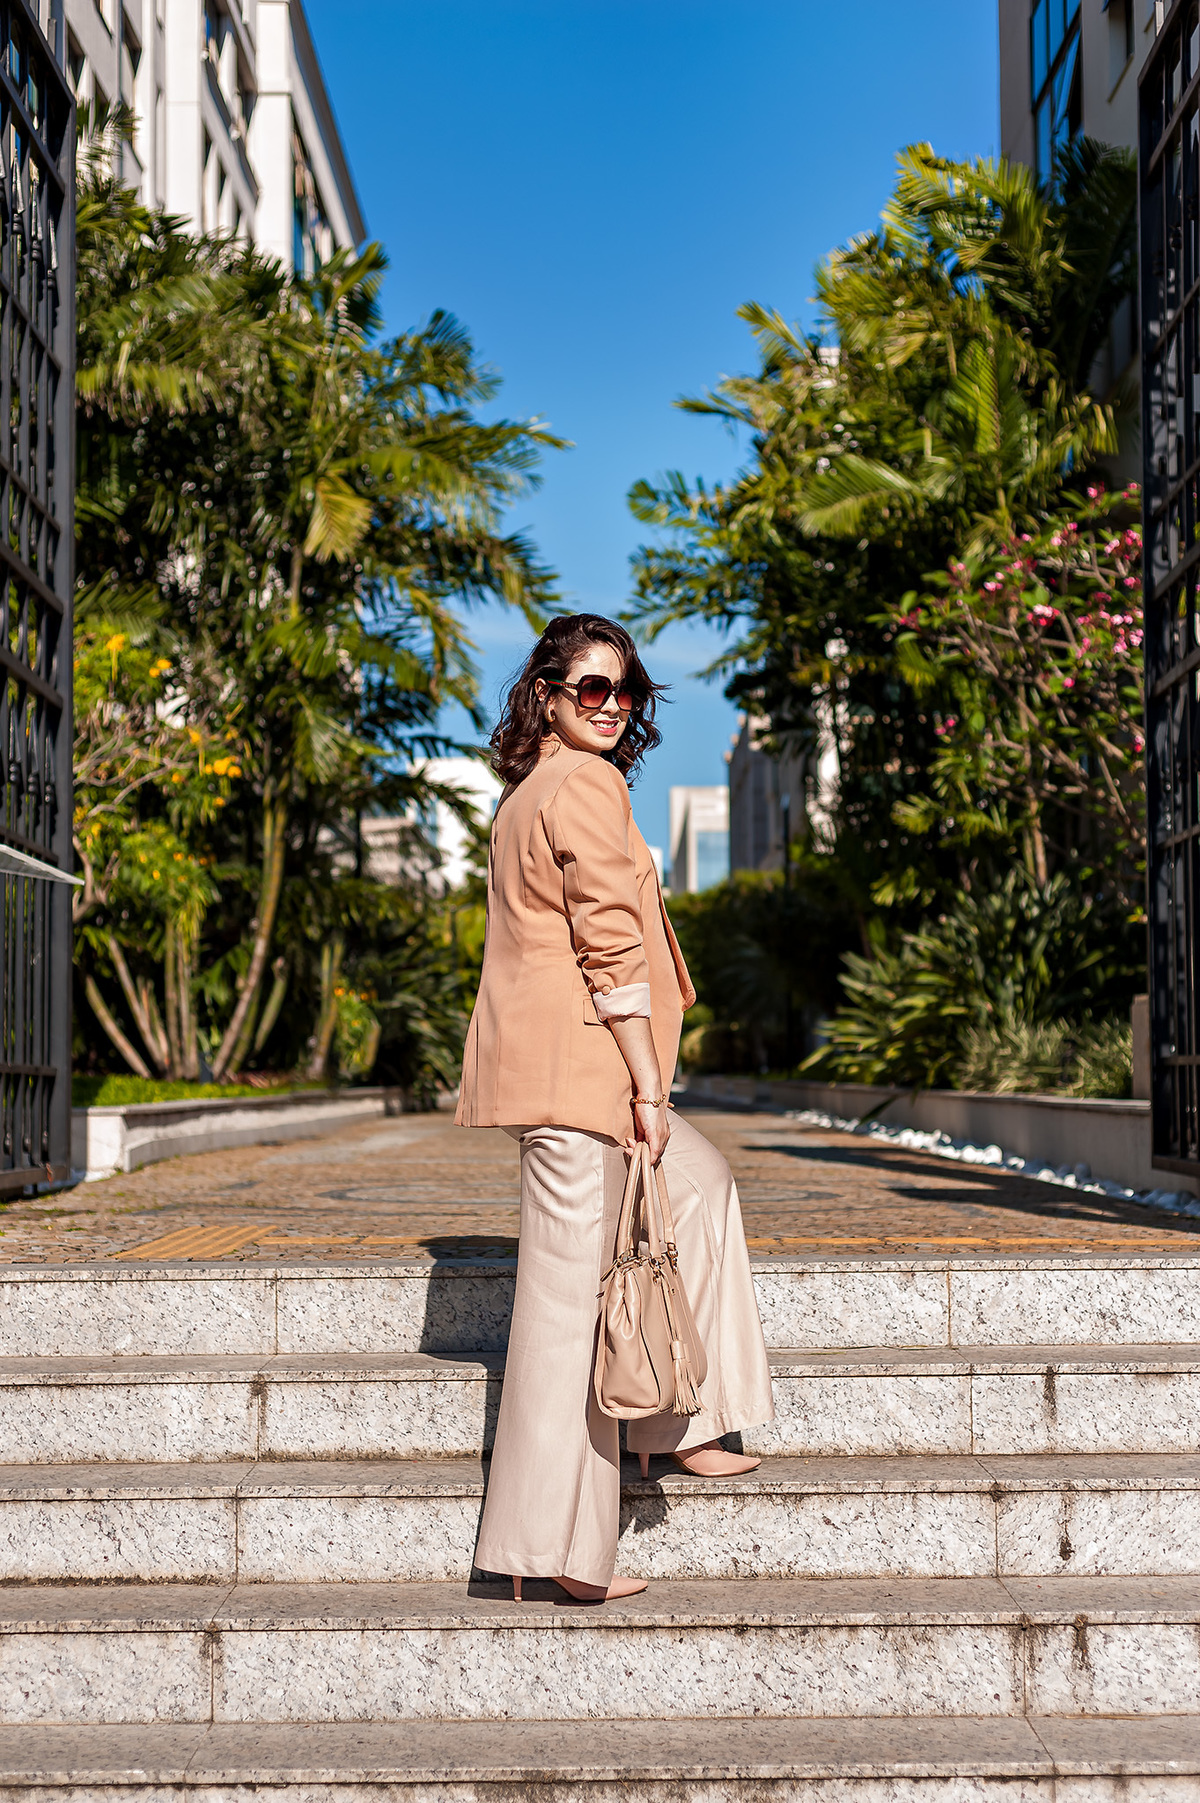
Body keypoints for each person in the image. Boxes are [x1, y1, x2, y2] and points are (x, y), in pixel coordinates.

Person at [456, 613, 775, 1602]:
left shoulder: (530, 794)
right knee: (562, 1311)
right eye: (589, 688)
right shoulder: (582, 786)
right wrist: (646, 1082)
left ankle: (676, 1427)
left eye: (624, 691)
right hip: (583, 1076)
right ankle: (548, 1555)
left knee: (702, 1185)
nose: (610, 706)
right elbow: (608, 945)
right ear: (545, 694)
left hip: (571, 1073)